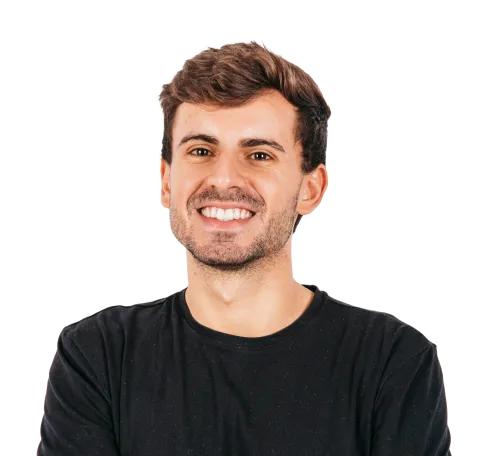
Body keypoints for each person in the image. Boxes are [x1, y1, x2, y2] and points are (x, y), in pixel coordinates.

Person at [38, 40, 452, 455]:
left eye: (259, 154)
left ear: (311, 189)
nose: (223, 179)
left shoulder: (392, 362)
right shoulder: (98, 356)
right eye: (201, 151)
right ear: (166, 181)